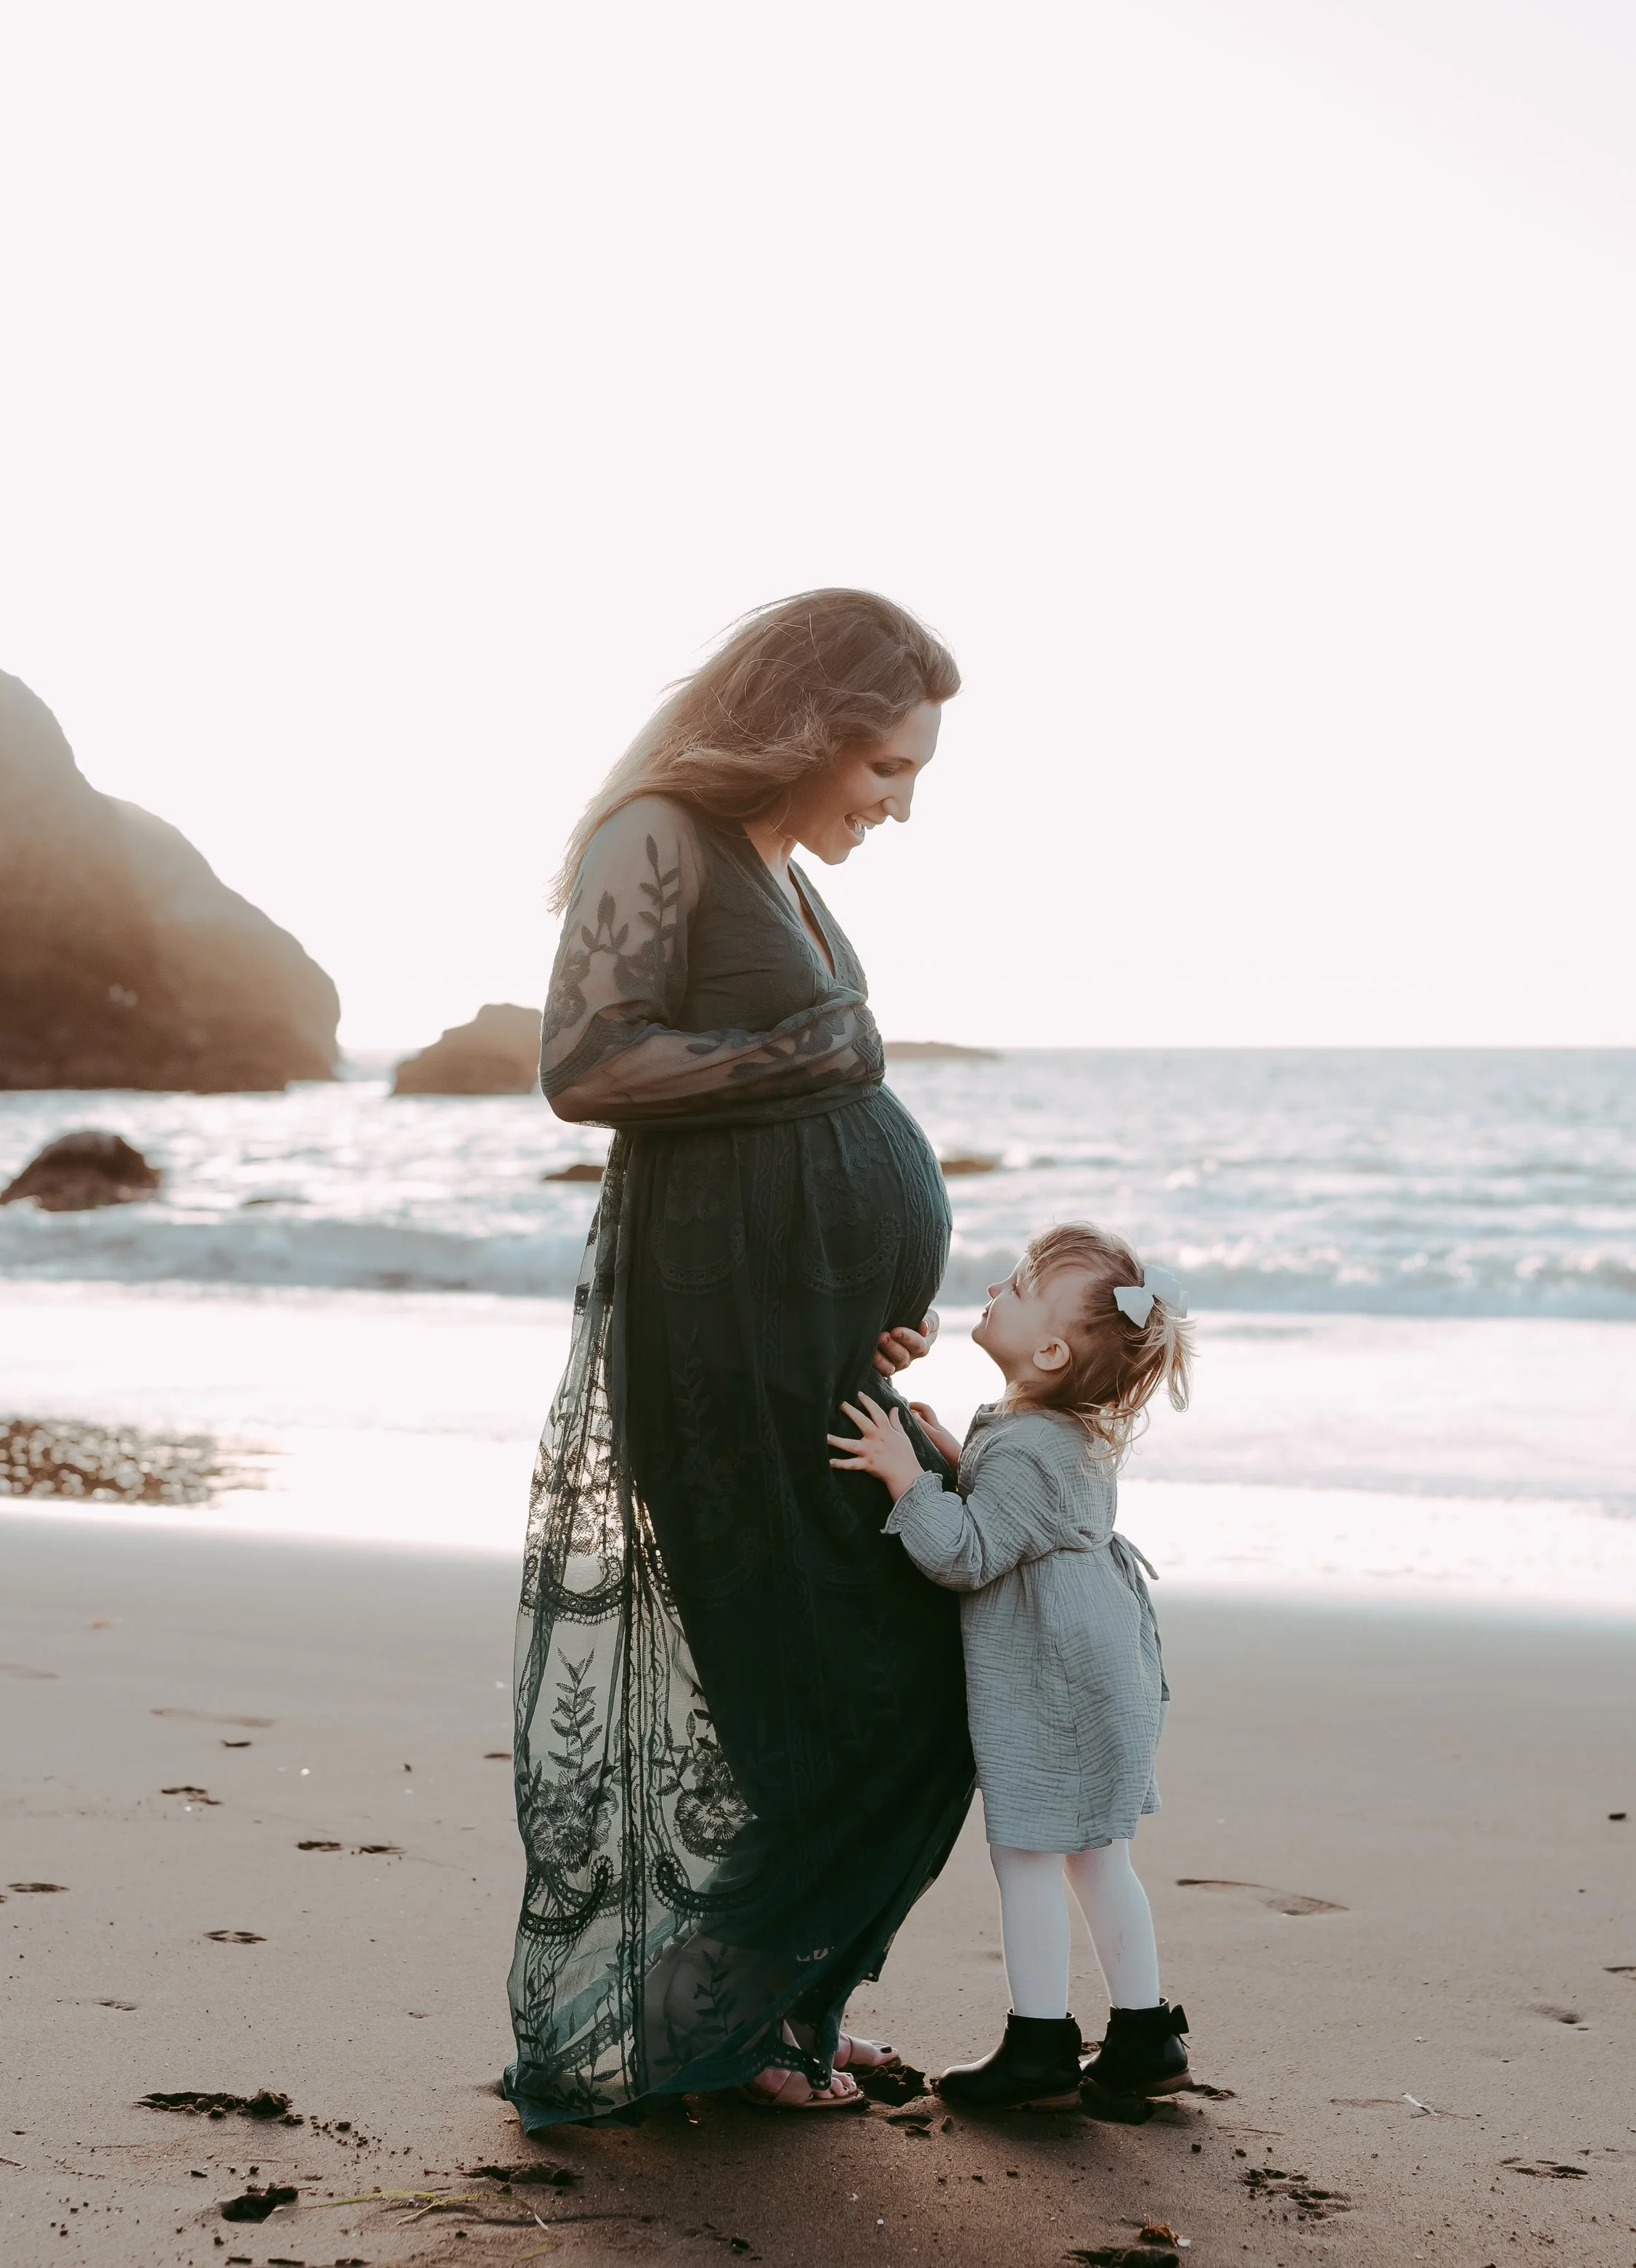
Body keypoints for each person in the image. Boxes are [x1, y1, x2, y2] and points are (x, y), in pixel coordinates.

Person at [504, 589, 975, 2129]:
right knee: (842, 1685)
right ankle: (715, 2024)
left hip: (807, 1353)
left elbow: (787, 1134)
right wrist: (810, 1057)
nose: (898, 806)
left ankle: (778, 2006)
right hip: (717, 1365)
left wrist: (863, 1292)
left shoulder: (782, 866)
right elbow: (581, 1063)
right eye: (886, 768)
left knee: (897, 1671)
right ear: (806, 726)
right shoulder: (654, 832)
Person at [828, 1221, 1195, 2111]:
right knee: (1100, 1856)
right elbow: (1024, 1516)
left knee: (1028, 1854)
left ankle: (1037, 2046)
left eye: (1021, 1287)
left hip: (1056, 1685)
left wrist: (904, 1479)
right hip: (1103, 1663)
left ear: (1051, 1347)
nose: (996, 1286)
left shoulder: (1029, 1445)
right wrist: (959, 1458)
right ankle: (1146, 2036)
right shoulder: (1058, 1431)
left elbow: (968, 1553)